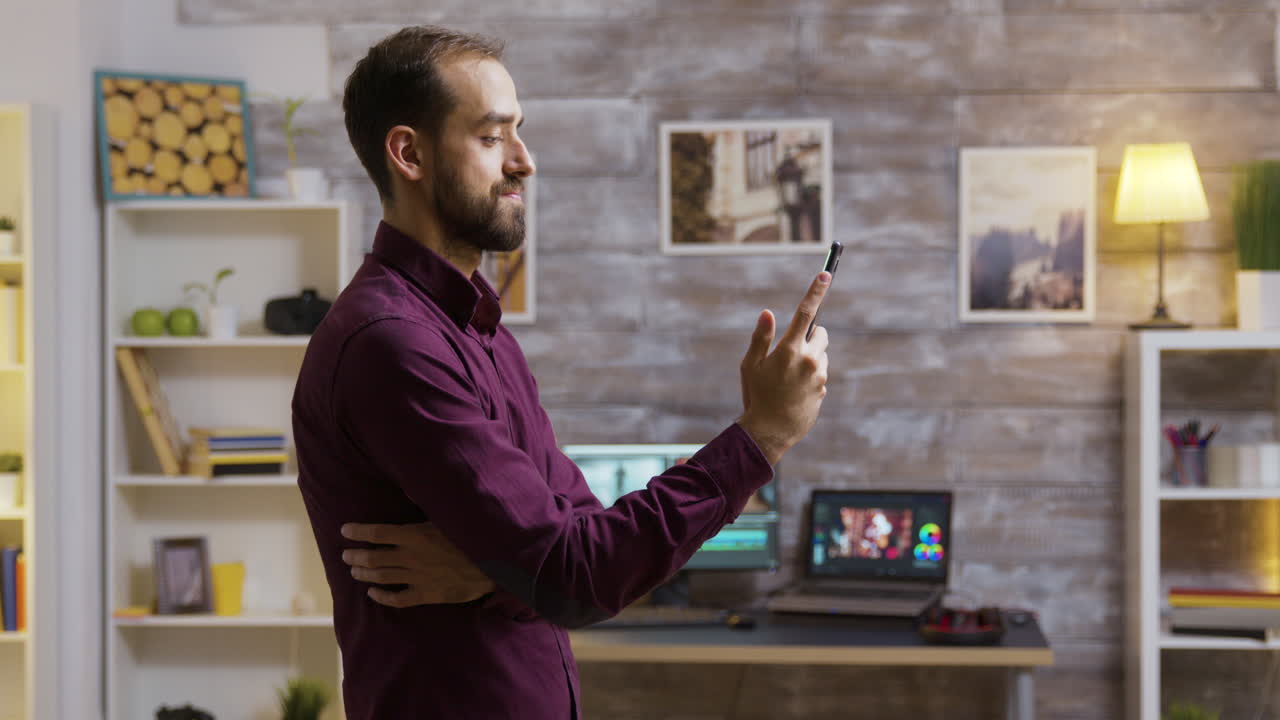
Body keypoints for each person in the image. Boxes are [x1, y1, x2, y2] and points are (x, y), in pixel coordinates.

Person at [291, 25, 831, 720]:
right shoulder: (391, 345)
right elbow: (578, 573)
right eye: (491, 137)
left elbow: (577, 535)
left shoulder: (478, 329)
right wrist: (762, 436)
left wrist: (493, 576)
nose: (525, 162)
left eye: (518, 132)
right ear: (409, 154)